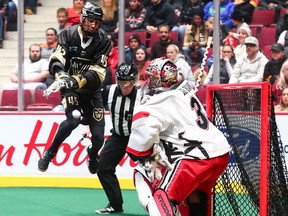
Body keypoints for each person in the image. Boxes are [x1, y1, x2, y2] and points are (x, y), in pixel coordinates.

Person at [126, 58, 230, 215]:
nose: (150, 81)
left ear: (164, 79)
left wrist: (143, 153)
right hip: (220, 153)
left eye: (154, 78)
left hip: (196, 158)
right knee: (194, 193)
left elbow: (143, 134)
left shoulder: (161, 99)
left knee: (160, 198)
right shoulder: (185, 88)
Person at [37, 2, 111, 174]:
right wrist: (62, 75)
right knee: (74, 119)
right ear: (82, 19)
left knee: (99, 138)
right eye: (89, 21)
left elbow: (98, 73)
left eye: (96, 22)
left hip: (91, 91)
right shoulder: (67, 34)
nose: (93, 25)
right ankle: (50, 152)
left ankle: (92, 155)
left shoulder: (103, 40)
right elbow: (57, 58)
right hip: (70, 89)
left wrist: (74, 80)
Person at [91, 63, 142, 214]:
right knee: (103, 168)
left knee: (152, 173)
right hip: (119, 136)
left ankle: (161, 204)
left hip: (139, 138)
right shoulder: (109, 91)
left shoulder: (142, 95)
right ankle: (115, 205)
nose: (125, 86)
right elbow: (94, 105)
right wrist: (89, 124)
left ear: (135, 80)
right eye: (122, 81)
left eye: (129, 82)